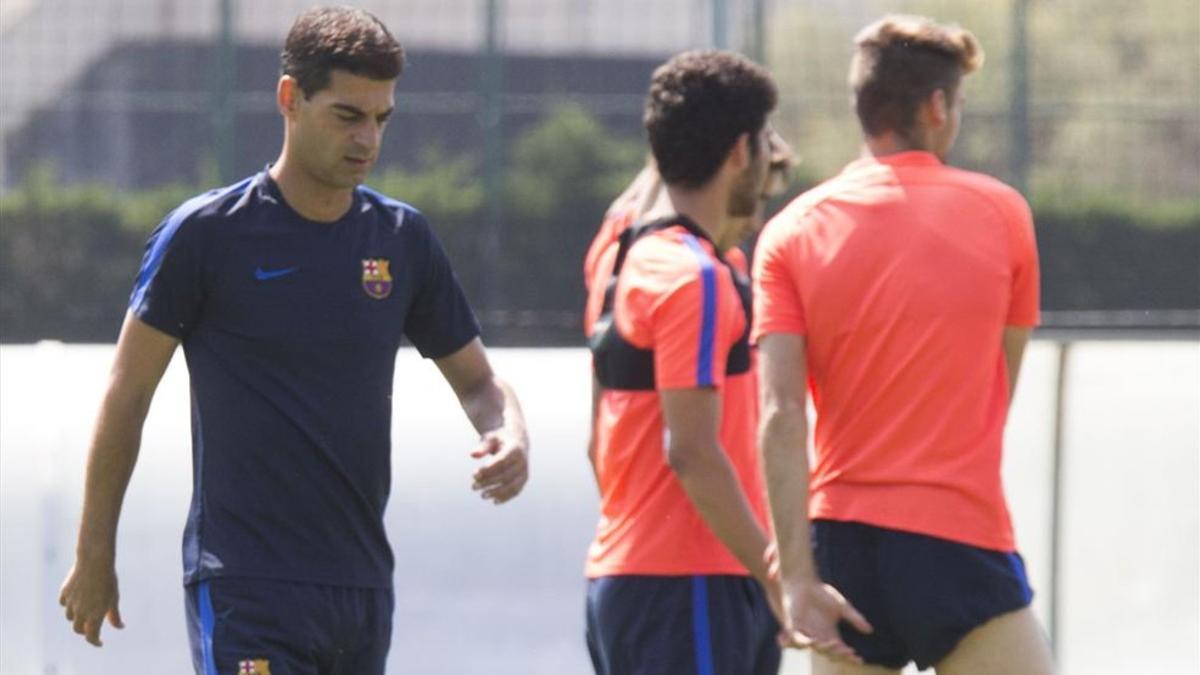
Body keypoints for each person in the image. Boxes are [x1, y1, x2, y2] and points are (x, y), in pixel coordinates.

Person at [57, 7, 529, 674]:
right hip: (246, 580)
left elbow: (479, 381)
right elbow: (127, 393)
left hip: (361, 589)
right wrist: (93, 552)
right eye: (347, 115)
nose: (367, 137)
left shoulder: (402, 239)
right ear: (290, 99)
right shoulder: (205, 235)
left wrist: (510, 430)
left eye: (380, 118)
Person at [753, 14, 1053, 675]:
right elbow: (997, 387)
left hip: (841, 548)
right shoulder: (1004, 213)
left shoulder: (789, 230)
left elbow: (778, 414)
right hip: (957, 536)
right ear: (939, 105)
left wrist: (797, 578)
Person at [583, 50, 783, 675]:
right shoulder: (693, 278)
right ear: (740, 153)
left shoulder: (617, 250)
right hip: (691, 581)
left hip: (641, 577)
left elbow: (598, 443)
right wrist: (780, 576)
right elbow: (691, 450)